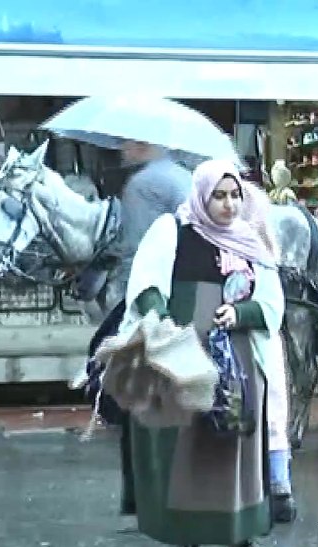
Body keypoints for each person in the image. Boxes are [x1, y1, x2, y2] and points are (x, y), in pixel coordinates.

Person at [122, 158, 285, 547]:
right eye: (220, 195)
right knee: (189, 452)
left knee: (236, 453)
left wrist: (241, 311)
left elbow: (271, 303)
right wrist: (168, 327)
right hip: (185, 358)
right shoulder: (172, 232)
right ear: (202, 195)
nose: (229, 204)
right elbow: (146, 285)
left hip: (237, 360)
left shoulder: (251, 242)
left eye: (235, 195)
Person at [114, 141, 193, 517]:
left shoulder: (141, 186)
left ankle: (138, 492)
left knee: (125, 389)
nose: (119, 149)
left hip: (154, 302)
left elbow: (139, 254)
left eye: (124, 142)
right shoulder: (184, 175)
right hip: (192, 297)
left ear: (144, 143)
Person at [239, 180, 298, 523]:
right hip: (244, 344)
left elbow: (271, 309)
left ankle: (278, 484)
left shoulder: (258, 257)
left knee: (270, 408)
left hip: (256, 342)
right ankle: (272, 484)